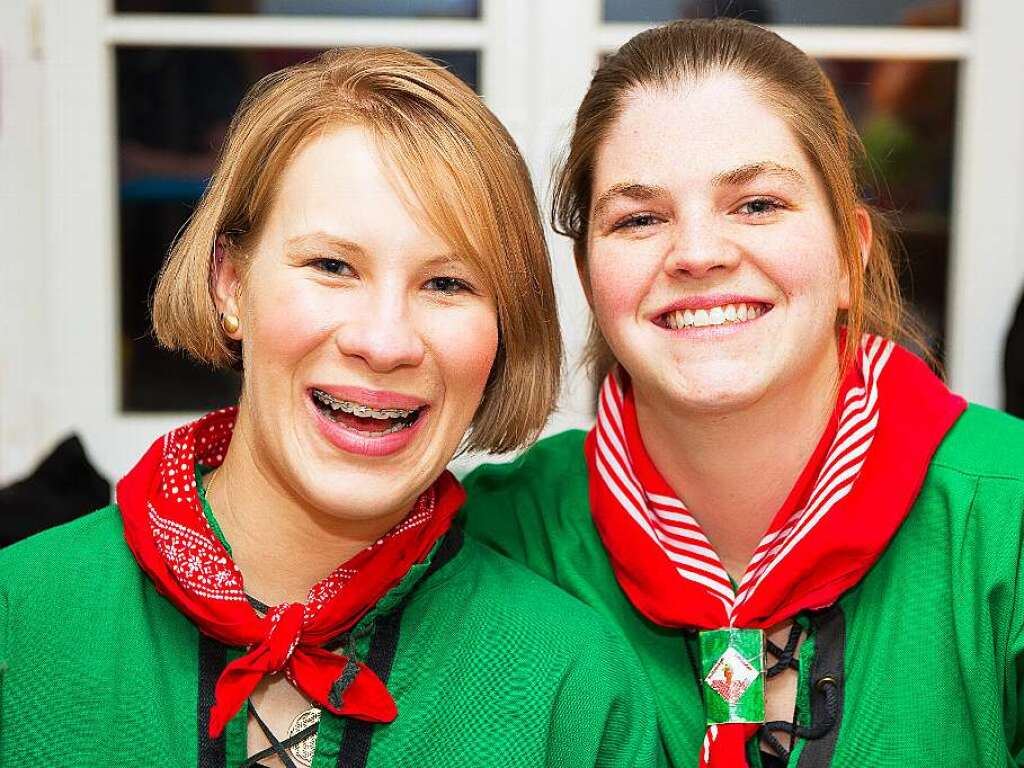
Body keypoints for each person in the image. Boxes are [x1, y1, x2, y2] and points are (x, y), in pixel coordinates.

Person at [0, 48, 660, 768]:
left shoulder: (574, 685)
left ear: (502, 335)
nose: (384, 341)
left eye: (445, 284)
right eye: (332, 267)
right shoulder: (20, 618)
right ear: (229, 284)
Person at [463, 18, 1024, 768]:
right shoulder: (500, 537)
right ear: (591, 277)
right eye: (639, 218)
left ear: (852, 251)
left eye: (756, 204)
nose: (697, 253)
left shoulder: (1008, 519)